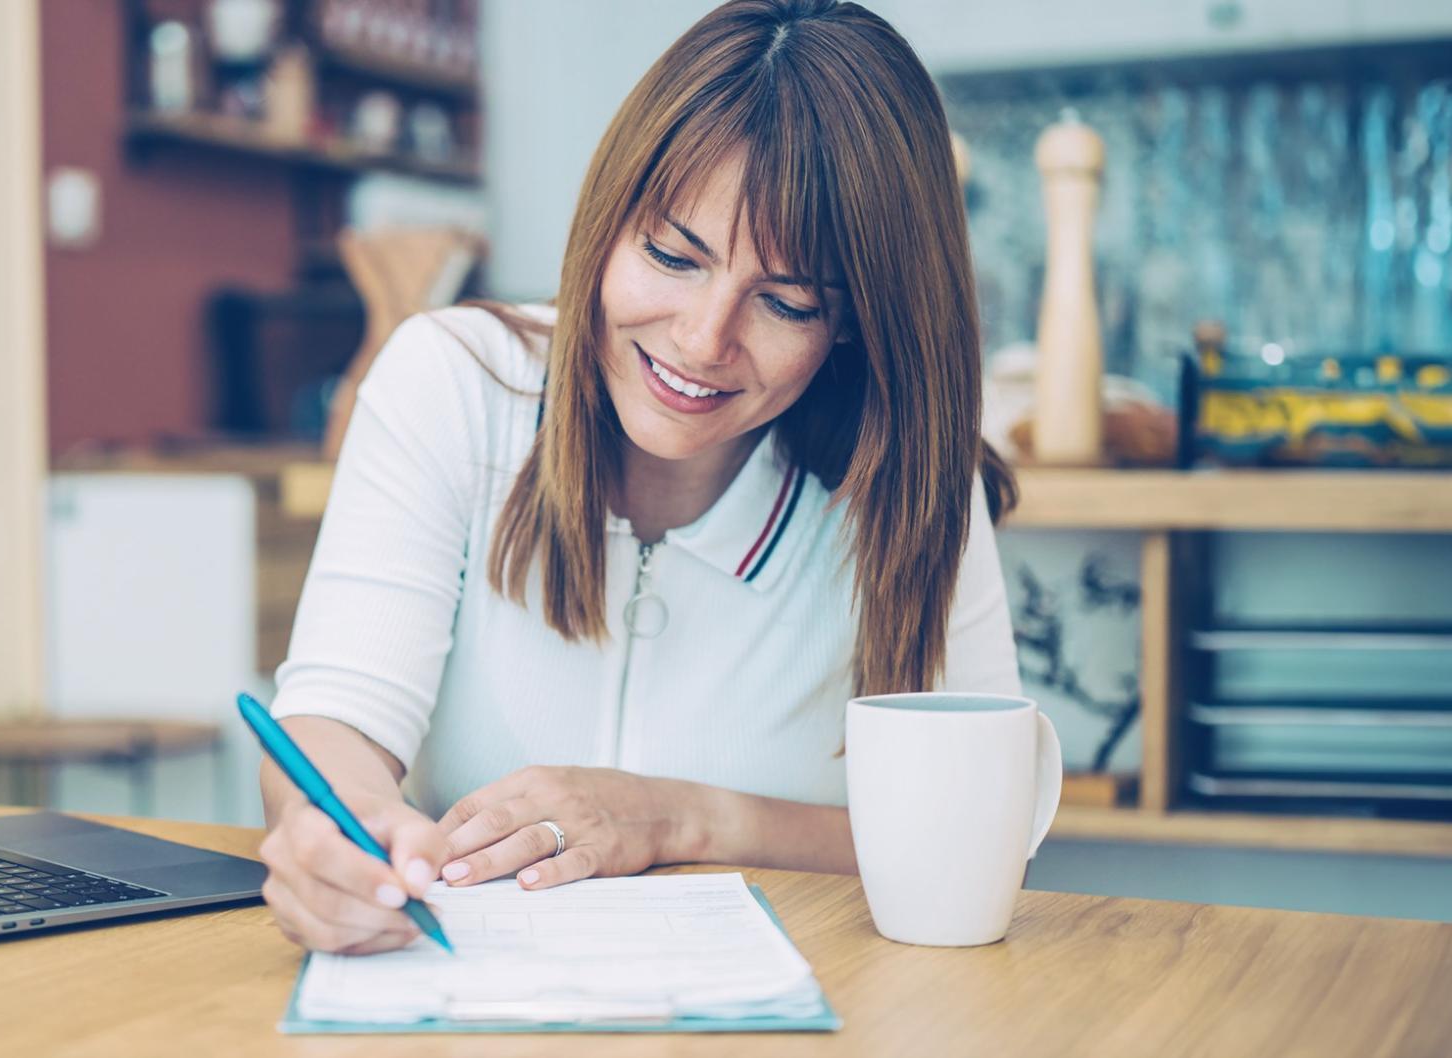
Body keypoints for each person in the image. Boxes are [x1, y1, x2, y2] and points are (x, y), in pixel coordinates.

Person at [256, 0, 1021, 956]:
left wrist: (681, 819)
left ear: (856, 321)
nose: (702, 343)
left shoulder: (910, 481)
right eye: (671, 255)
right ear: (607, 220)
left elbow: (980, 838)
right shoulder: (453, 381)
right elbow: (337, 718)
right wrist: (338, 833)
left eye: (785, 303)